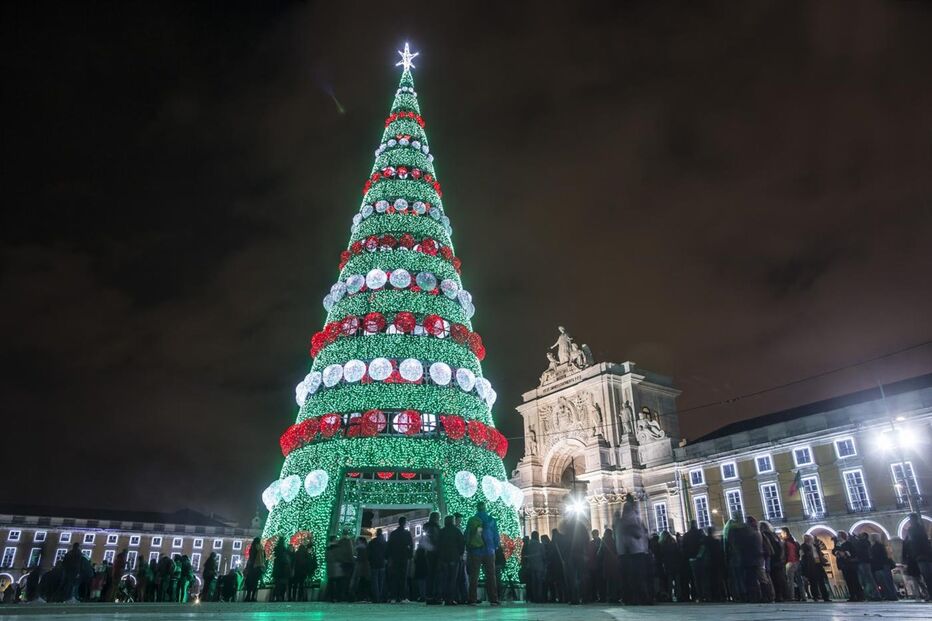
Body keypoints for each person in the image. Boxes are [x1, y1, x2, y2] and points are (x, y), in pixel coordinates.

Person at [614, 494, 652, 605]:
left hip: (625, 554)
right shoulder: (633, 520)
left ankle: (630, 598)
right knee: (638, 578)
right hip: (635, 553)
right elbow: (639, 534)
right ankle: (641, 598)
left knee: (628, 578)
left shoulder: (621, 522)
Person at [465, 501, 500, 605]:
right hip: (489, 551)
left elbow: (467, 534)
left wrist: (469, 547)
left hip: (476, 550)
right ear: (485, 508)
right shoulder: (491, 520)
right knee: (491, 575)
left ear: (477, 508)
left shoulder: (472, 520)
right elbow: (496, 535)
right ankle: (493, 599)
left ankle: (472, 599)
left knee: (474, 575)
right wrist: (495, 546)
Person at [902, 513, 932, 602]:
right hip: (920, 556)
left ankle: (930, 594)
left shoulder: (914, 529)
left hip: (921, 556)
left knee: (927, 576)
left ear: (914, 519)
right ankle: (929, 593)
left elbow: (916, 543)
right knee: (926, 576)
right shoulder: (918, 529)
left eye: (910, 519)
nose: (910, 521)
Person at [439, 515, 466, 605]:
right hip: (454, 558)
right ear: (453, 521)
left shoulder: (441, 531)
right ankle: (451, 598)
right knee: (453, 579)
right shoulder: (457, 531)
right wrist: (460, 554)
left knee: (445, 578)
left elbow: (437, 544)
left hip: (443, 558)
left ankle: (445, 598)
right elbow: (462, 543)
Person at [387, 517, 414, 602]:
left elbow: (389, 546)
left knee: (395, 576)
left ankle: (394, 595)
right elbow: (411, 545)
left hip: (395, 557)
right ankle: (402, 596)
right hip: (404, 557)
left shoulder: (393, 533)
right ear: (405, 523)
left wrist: (389, 557)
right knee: (403, 577)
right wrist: (410, 555)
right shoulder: (407, 533)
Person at [833, 531, 863, 601]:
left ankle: (860, 595)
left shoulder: (848, 543)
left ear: (843, 536)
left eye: (839, 536)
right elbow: (834, 551)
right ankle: (852, 595)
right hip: (843, 564)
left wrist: (845, 553)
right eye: (838, 536)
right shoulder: (837, 544)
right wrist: (837, 552)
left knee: (855, 580)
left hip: (850, 564)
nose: (838, 537)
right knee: (848, 581)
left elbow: (853, 552)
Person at [801, 534, 831, 601]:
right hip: (811, 565)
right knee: (813, 581)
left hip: (818, 564)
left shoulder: (815, 546)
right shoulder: (804, 546)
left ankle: (825, 596)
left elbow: (820, 553)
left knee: (821, 581)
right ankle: (815, 596)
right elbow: (804, 557)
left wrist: (822, 559)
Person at [868, 533, 897, 601]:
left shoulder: (877, 546)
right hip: (882, 566)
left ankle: (891, 595)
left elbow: (879, 557)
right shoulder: (879, 546)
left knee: (885, 582)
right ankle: (890, 595)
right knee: (885, 582)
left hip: (881, 566)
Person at [854, 532, 881, 600]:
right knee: (865, 580)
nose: (859, 535)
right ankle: (870, 594)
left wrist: (857, 540)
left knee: (868, 579)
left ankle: (874, 595)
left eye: (861, 535)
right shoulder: (864, 542)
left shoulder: (865, 543)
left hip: (865, 562)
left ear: (864, 536)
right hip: (862, 562)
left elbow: (860, 550)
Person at [423, 512, 442, 604]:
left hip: (430, 554)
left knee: (430, 575)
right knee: (436, 576)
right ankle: (435, 596)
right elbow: (436, 540)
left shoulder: (428, 527)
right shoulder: (434, 528)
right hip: (435, 555)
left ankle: (429, 596)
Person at [783, 529, 804, 601]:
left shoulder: (785, 543)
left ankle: (791, 596)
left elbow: (785, 554)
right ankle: (803, 596)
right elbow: (800, 553)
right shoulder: (795, 543)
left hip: (790, 562)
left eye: (782, 533)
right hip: (797, 562)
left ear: (785, 533)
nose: (781, 535)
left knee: (790, 581)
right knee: (799, 580)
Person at [244, 537, 266, 602]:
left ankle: (248, 596)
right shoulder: (261, 548)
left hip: (252, 567)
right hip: (258, 567)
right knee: (255, 583)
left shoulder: (253, 547)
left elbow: (251, 557)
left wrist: (248, 567)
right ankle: (253, 597)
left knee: (249, 583)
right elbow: (264, 556)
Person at [367, 530, 387, 603]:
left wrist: (370, 560)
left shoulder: (372, 542)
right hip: (382, 563)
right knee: (381, 581)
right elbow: (387, 553)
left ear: (376, 534)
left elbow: (368, 552)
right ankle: (380, 596)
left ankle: (376, 597)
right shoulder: (384, 542)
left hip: (374, 563)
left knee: (374, 581)